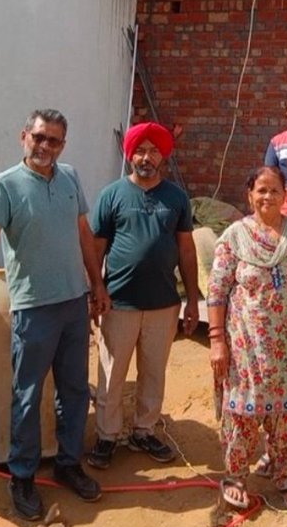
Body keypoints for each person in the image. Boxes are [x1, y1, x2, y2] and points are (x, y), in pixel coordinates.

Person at [0, 109, 109, 520]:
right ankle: (21, 476)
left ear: (63, 145)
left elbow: (83, 233)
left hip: (74, 303)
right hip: (33, 307)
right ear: (25, 136)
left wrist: (97, 284)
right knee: (27, 396)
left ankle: (67, 464)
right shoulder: (5, 185)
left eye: (54, 141)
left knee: (74, 390)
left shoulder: (71, 178)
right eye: (39, 137)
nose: (45, 146)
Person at [85, 121, 200, 470]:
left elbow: (187, 251)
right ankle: (107, 436)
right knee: (112, 372)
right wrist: (97, 289)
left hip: (164, 303)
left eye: (153, 150)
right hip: (119, 302)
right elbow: (96, 248)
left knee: (153, 372)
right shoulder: (113, 195)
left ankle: (145, 431)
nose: (146, 157)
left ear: (163, 156)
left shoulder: (176, 197)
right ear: (130, 153)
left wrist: (192, 299)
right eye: (140, 150)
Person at [206, 166, 287, 511]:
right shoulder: (235, 237)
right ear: (249, 195)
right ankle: (236, 476)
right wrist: (216, 340)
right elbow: (217, 290)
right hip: (244, 346)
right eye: (261, 190)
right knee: (240, 410)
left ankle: (284, 476)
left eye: (274, 190)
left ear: (286, 195)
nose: (267, 196)